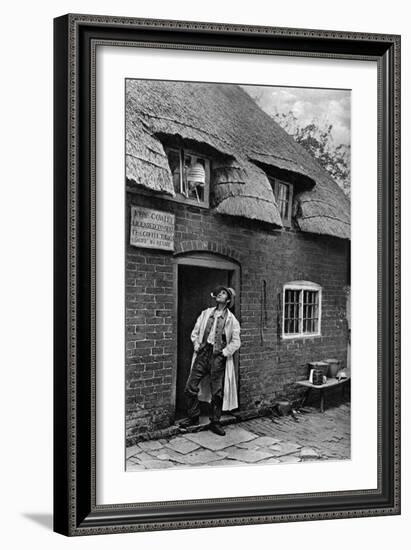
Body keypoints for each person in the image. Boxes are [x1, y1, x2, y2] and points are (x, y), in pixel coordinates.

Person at [180, 286, 241, 436]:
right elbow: (195, 332)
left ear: (227, 300)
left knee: (217, 392)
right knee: (190, 386)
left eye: (224, 294)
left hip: (218, 357)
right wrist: (196, 345)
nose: (220, 295)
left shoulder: (231, 320)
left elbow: (236, 342)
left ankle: (215, 422)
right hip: (203, 353)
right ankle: (193, 416)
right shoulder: (206, 313)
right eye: (219, 293)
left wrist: (224, 353)